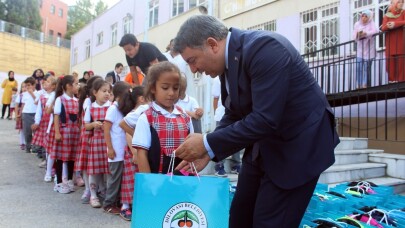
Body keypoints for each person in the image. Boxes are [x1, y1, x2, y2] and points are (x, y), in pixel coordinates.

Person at [173, 15, 339, 227]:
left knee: (269, 222)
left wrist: (206, 142)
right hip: (264, 146)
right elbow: (234, 113)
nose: (194, 69)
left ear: (212, 44)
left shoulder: (266, 49)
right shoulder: (228, 62)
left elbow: (265, 119)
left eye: (192, 60)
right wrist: (209, 151)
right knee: (240, 216)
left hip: (297, 148)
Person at [132, 61, 194, 174]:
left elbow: (190, 150)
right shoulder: (147, 118)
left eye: (175, 88)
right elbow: (142, 154)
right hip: (156, 181)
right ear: (152, 88)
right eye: (165, 88)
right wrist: (149, 184)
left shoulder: (185, 117)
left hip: (182, 181)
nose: (171, 93)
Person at [119, 86, 147, 221]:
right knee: (130, 179)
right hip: (133, 152)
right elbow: (128, 134)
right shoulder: (135, 114)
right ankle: (125, 206)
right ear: (142, 99)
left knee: (138, 179)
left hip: (140, 151)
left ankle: (136, 204)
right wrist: (134, 152)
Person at [75, 76, 103, 203]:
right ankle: (88, 189)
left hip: (97, 137)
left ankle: (98, 189)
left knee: (96, 165)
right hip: (88, 135)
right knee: (87, 165)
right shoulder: (88, 102)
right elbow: (87, 122)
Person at [84, 79, 111, 208]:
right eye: (103, 91)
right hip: (96, 142)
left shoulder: (111, 106)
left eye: (108, 91)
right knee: (94, 170)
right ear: (95, 92)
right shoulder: (91, 107)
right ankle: (93, 194)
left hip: (109, 142)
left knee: (107, 169)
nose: (107, 94)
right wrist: (93, 124)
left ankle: (104, 190)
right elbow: (86, 126)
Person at [51, 75, 80, 194]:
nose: (78, 86)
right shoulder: (60, 99)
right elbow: (56, 116)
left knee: (71, 157)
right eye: (76, 84)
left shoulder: (77, 100)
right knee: (60, 158)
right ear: (69, 86)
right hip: (63, 132)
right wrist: (57, 132)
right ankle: (58, 182)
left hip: (74, 133)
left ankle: (68, 180)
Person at [211, 76, 242, 177]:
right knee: (220, 140)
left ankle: (236, 163)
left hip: (235, 114)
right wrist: (216, 112)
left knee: (237, 138)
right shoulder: (217, 80)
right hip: (221, 114)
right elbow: (215, 98)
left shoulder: (238, 77)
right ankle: (219, 165)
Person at [31, 75, 57, 168]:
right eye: (45, 81)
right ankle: (45, 159)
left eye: (48, 81)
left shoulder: (55, 96)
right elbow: (39, 110)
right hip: (43, 122)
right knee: (43, 143)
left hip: (51, 122)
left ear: (54, 86)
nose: (45, 82)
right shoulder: (42, 96)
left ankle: (49, 161)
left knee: (49, 143)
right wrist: (37, 121)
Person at [353, 10, 378, 89]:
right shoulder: (357, 24)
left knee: (367, 69)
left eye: (366, 16)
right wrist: (358, 34)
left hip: (369, 50)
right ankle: (359, 84)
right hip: (360, 50)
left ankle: (365, 84)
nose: (364, 18)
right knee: (358, 67)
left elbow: (376, 31)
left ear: (369, 17)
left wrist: (366, 33)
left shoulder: (372, 24)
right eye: (362, 16)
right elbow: (354, 36)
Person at [381, 0, 405, 83]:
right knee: (391, 62)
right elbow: (383, 28)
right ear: (394, 3)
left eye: (402, 2)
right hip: (390, 42)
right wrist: (388, 26)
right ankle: (392, 80)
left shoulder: (403, 12)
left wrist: (395, 24)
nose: (401, 3)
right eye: (399, 2)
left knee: (401, 62)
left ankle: (401, 80)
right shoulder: (387, 15)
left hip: (401, 41)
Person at [21, 77, 39, 154]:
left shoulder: (38, 93)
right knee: (27, 131)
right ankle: (28, 146)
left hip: (35, 113)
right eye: (26, 85)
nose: (28, 87)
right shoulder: (24, 94)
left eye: (29, 85)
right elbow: (23, 104)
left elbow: (38, 102)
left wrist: (32, 93)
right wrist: (21, 113)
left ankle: (35, 147)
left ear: (34, 85)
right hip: (26, 113)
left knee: (36, 131)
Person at [15, 83, 26, 150]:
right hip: (21, 113)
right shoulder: (20, 96)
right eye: (23, 87)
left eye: (25, 87)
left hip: (27, 113)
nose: (24, 88)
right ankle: (22, 142)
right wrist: (17, 115)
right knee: (22, 129)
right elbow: (16, 105)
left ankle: (27, 142)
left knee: (27, 129)